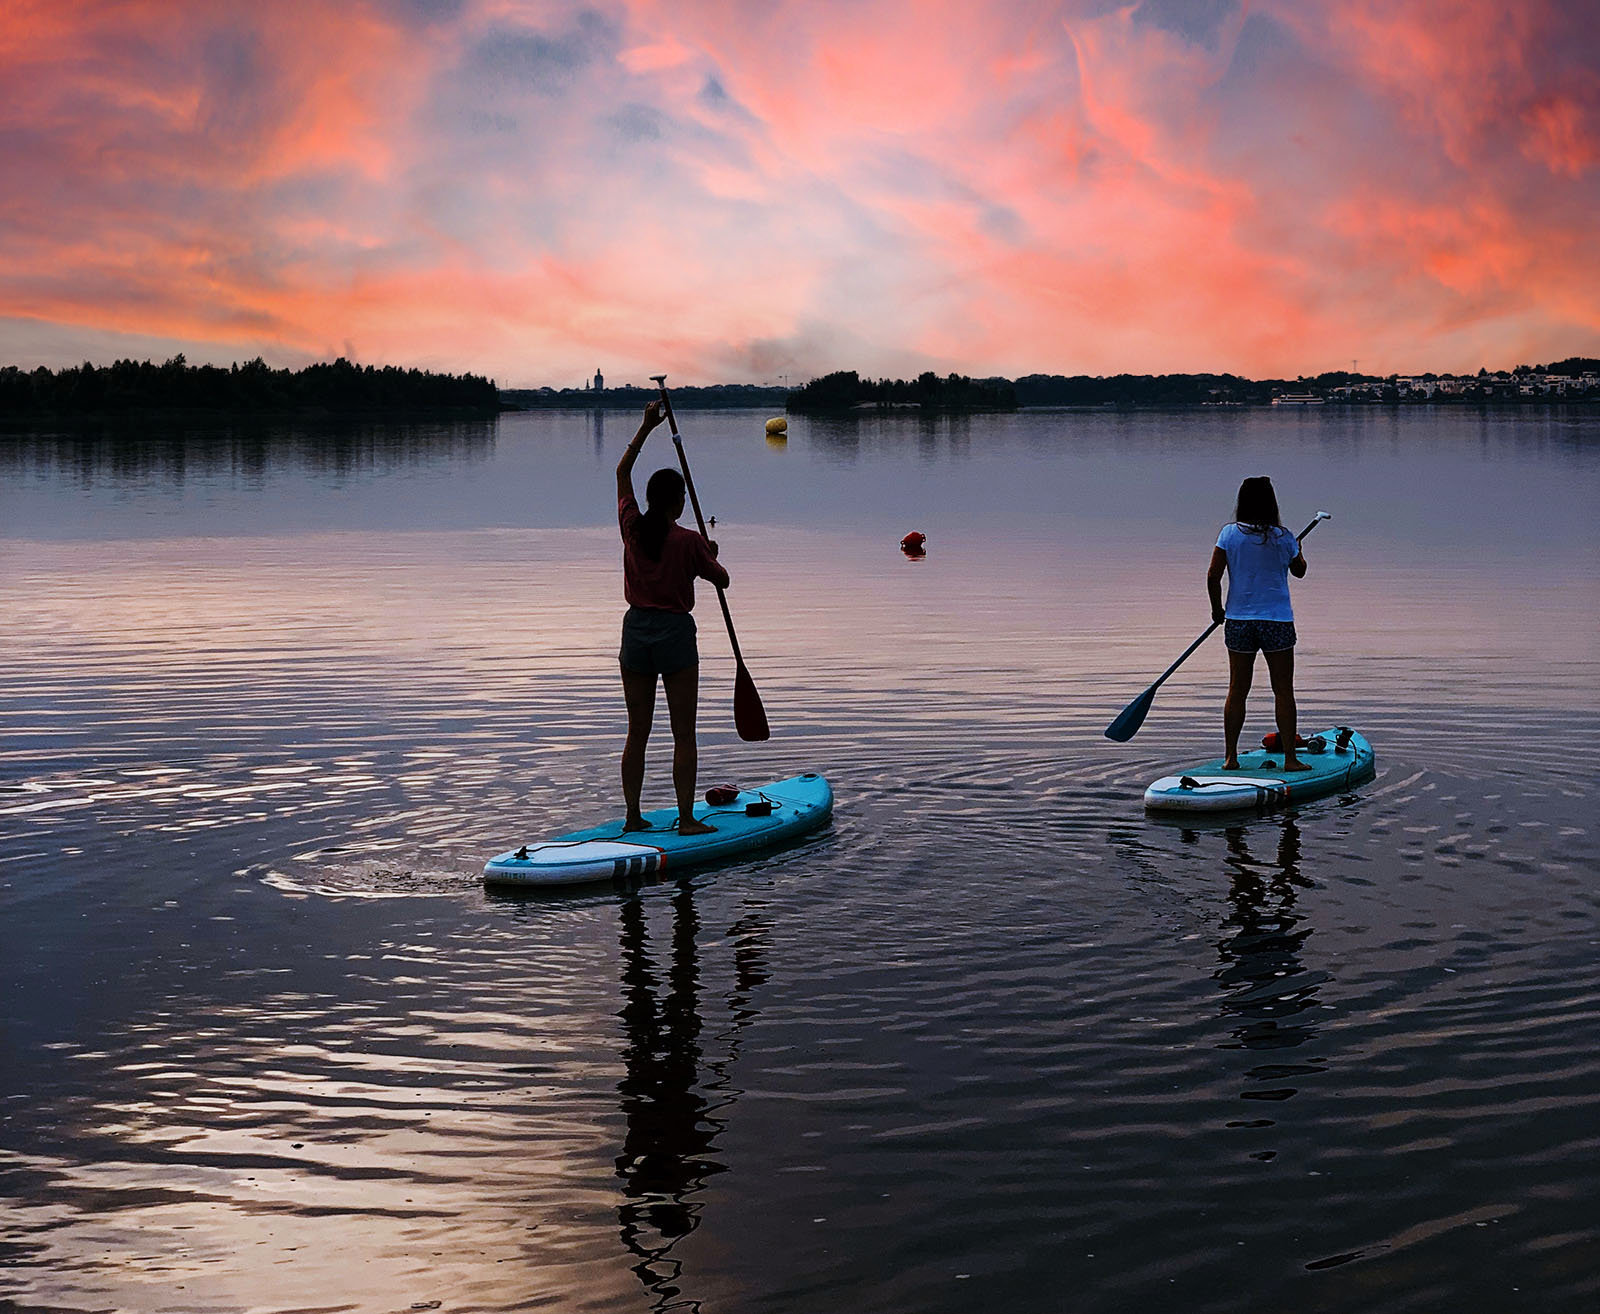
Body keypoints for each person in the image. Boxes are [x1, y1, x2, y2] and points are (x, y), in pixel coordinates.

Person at [615, 401, 729, 834]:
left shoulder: (631, 527)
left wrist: (644, 427)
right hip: (675, 636)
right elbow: (723, 581)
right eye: (681, 497)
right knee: (684, 732)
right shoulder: (689, 541)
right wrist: (711, 557)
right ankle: (685, 820)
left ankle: (632, 816)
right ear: (677, 501)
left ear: (648, 500)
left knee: (637, 731)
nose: (684, 502)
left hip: (636, 633)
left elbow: (622, 473)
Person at [1206, 476, 1310, 772]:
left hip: (1239, 621)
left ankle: (1231, 758)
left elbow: (1213, 576)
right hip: (1276, 621)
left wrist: (1217, 611)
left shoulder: (1228, 535)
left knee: (1237, 689)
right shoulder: (1284, 536)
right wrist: (1298, 549)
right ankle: (1290, 759)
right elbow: (1299, 572)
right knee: (1283, 690)